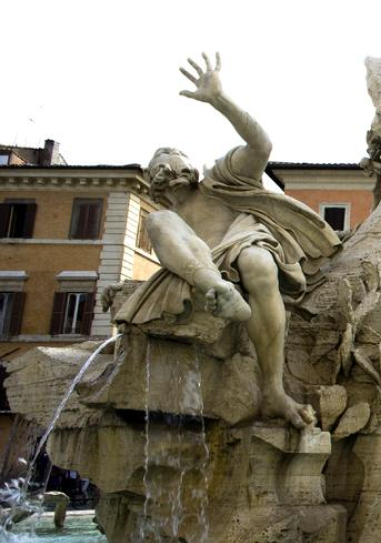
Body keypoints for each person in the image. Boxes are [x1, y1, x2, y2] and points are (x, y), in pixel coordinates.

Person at [116, 53, 340, 429]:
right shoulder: (164, 219)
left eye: (175, 159)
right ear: (153, 182)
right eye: (160, 165)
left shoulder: (222, 180)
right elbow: (167, 238)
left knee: (257, 260)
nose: (168, 166)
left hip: (243, 250)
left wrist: (219, 100)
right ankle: (217, 288)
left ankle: (273, 390)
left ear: (191, 168)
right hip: (200, 271)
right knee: (158, 219)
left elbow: (261, 146)